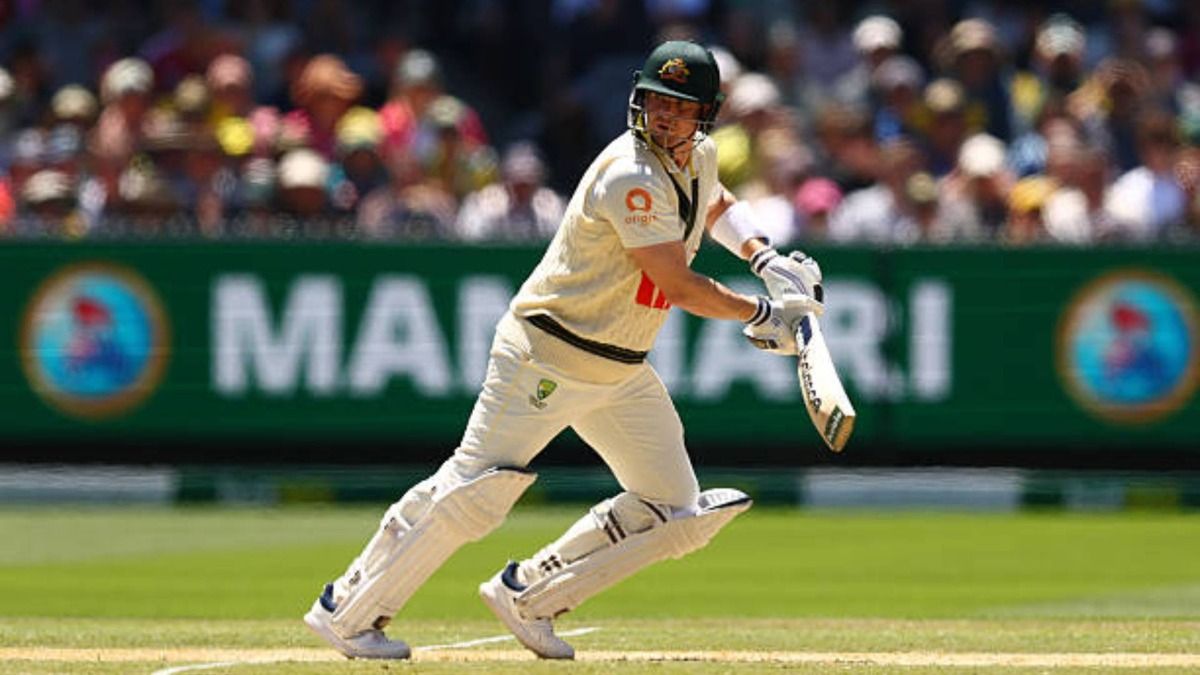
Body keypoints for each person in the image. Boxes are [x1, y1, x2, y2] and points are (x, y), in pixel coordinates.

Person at [303, 40, 824, 661]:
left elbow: (716, 204)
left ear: (705, 114)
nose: (662, 115)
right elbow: (675, 283)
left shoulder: (699, 156)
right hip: (546, 353)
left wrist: (764, 258)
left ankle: (530, 594)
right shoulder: (630, 172)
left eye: (678, 107)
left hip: (620, 369)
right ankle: (349, 609)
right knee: (474, 494)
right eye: (655, 100)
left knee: (675, 511)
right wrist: (763, 312)